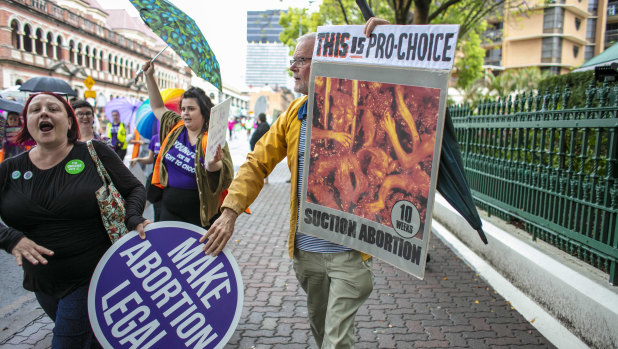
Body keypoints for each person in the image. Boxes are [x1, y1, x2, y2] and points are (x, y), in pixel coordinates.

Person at [202, 32, 374, 348]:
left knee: (336, 341)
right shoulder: (295, 113)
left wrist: (389, 40)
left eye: (300, 60)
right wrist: (230, 212)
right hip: (307, 253)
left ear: (323, 62)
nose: (292, 67)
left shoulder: (363, 108)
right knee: (321, 330)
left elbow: (407, 105)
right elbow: (256, 163)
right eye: (292, 60)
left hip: (350, 252)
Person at [0, 92, 150, 348]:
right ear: (27, 122)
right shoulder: (9, 168)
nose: (44, 113)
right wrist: (10, 238)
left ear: (69, 122)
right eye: (35, 110)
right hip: (43, 282)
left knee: (67, 342)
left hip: (91, 276)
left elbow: (135, 188)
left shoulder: (94, 152)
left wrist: (132, 216)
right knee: (91, 341)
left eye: (53, 108)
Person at [143, 61, 234, 229]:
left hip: (200, 213)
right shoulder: (175, 126)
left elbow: (224, 174)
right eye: (183, 109)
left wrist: (213, 164)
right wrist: (149, 76)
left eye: (191, 109)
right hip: (168, 209)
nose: (185, 113)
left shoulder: (213, 138)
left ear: (204, 111)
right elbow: (157, 106)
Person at [130, 133, 161, 221]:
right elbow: (150, 159)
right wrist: (137, 159)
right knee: (156, 209)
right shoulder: (155, 138)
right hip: (155, 181)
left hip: (168, 182)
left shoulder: (173, 137)